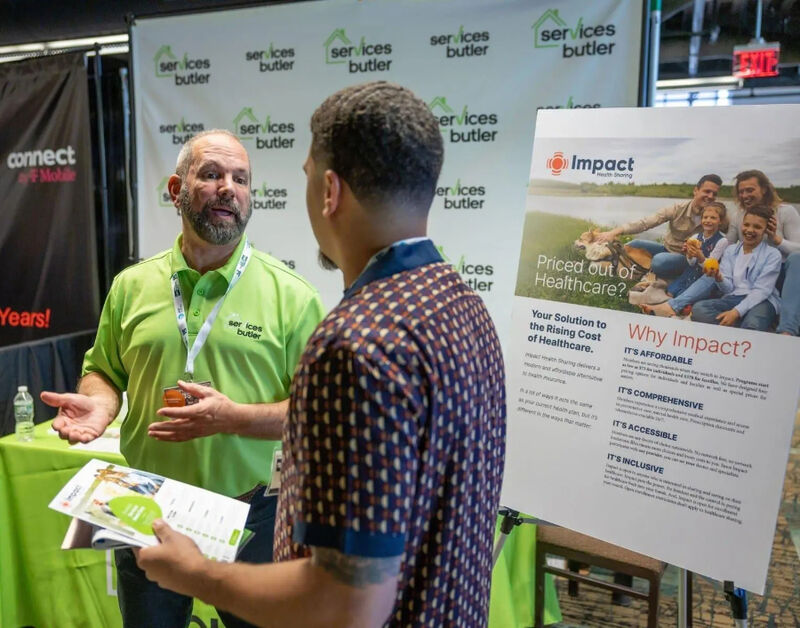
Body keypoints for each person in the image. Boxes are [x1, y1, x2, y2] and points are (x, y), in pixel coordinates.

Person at [136, 82, 507, 627]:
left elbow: (344, 603)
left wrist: (196, 574)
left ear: (329, 191)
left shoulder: (354, 346)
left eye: (307, 176)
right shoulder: (464, 307)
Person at [41, 129, 325, 628]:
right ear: (176, 190)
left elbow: (317, 416)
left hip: (252, 514)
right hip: (145, 503)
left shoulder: (293, 298)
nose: (228, 188)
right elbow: (104, 371)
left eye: (241, 179)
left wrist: (232, 418)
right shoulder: (131, 286)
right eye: (211, 174)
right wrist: (101, 404)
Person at [595, 174, 722, 279]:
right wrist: (614, 232)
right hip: (666, 249)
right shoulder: (677, 209)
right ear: (696, 190)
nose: (710, 196)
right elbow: (646, 223)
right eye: (707, 191)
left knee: (658, 261)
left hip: (689, 260)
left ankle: (652, 274)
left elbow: (730, 238)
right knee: (633, 245)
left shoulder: (718, 217)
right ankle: (623, 270)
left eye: (714, 194)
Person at [727, 169, 800, 335]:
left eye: (750, 190)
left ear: (764, 189)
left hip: (783, 276)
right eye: (741, 191)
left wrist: (776, 240)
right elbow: (728, 243)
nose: (745, 195)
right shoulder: (739, 215)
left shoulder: (785, 212)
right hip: (752, 277)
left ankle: (787, 331)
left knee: (797, 259)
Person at [691, 204, 781, 330]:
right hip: (734, 298)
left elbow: (762, 291)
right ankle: (741, 327)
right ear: (741, 225)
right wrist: (719, 277)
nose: (749, 230)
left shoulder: (773, 254)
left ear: (766, 229)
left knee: (753, 323)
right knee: (699, 309)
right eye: (746, 225)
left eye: (757, 227)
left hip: (762, 301)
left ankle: (741, 326)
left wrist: (736, 312)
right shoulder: (730, 250)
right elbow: (728, 289)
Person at [643, 202, 729, 317]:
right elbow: (691, 263)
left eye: (713, 218)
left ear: (721, 221)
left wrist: (699, 255)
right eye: (705, 217)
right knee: (671, 292)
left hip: (704, 277)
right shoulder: (695, 237)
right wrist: (689, 254)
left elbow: (710, 267)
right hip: (689, 273)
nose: (708, 220)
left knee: (685, 297)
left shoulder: (722, 241)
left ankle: (676, 309)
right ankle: (667, 305)